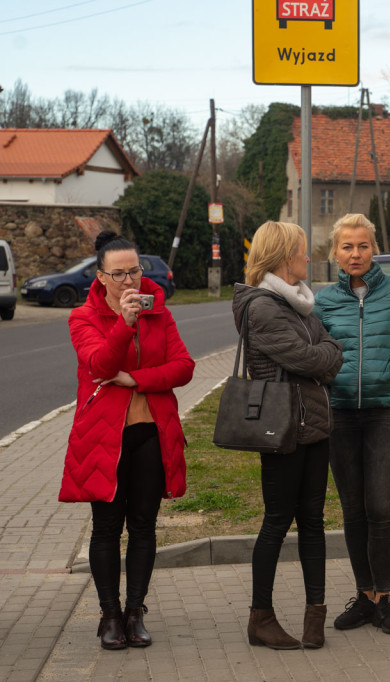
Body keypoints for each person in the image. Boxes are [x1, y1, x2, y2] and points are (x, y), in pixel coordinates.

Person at [60, 230, 195, 650]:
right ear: (100, 277)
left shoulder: (162, 313)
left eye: (134, 271)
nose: (129, 282)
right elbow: (100, 364)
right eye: (118, 275)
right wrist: (125, 322)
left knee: (143, 526)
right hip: (105, 438)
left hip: (152, 433)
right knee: (105, 529)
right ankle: (110, 616)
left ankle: (136, 612)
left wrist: (135, 379)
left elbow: (184, 367)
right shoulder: (82, 318)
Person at [314, 213, 390, 635]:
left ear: (375, 249)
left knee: (380, 507)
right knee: (353, 509)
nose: (355, 253)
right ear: (335, 252)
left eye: (362, 245)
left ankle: (384, 599)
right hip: (340, 413)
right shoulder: (325, 300)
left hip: (386, 411)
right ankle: (364, 596)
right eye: (347, 246)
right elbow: (314, 352)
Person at [233, 221, 344, 650]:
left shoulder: (298, 302)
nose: (308, 256)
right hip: (280, 430)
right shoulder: (262, 306)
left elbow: (327, 349)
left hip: (314, 427)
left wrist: (325, 354)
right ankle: (260, 619)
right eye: (302, 249)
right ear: (283, 257)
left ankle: (315, 616)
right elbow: (311, 357)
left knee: (313, 523)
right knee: (277, 523)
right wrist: (325, 355)